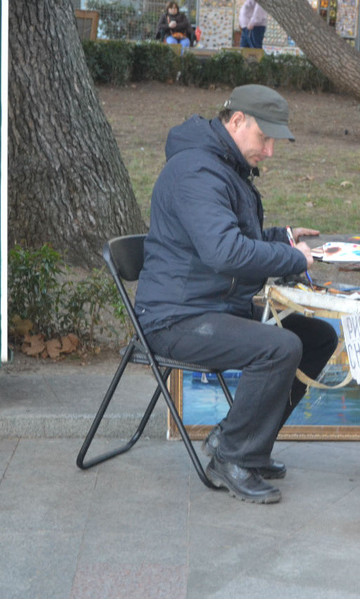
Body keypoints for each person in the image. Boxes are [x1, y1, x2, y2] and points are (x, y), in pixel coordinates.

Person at [135, 84, 338, 504]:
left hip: (213, 306)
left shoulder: (222, 166)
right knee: (279, 347)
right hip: (173, 319)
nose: (270, 151)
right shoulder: (197, 171)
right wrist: (293, 260)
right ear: (237, 121)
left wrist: (282, 238)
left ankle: (247, 442)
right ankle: (231, 455)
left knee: (319, 338)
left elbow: (231, 236)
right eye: (265, 139)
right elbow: (224, 252)